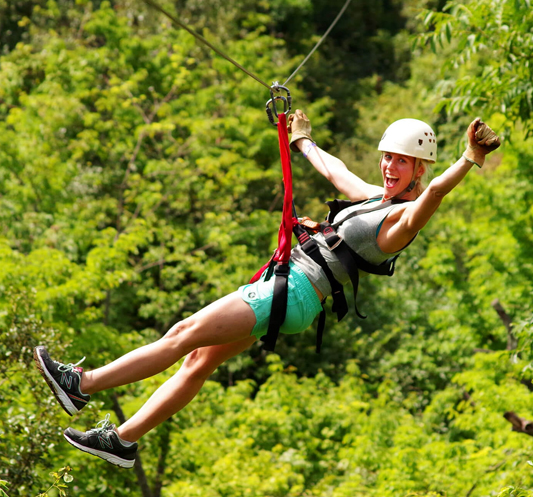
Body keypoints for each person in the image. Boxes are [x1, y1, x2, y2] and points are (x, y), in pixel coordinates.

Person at [34, 110, 500, 468]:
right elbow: (336, 173)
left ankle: (81, 385)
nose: (389, 166)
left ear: (421, 170)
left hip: (293, 291)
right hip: (288, 290)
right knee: (199, 359)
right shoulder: (377, 200)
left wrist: (467, 160)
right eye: (387, 157)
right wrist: (302, 140)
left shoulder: (401, 220)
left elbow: (436, 195)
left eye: (402, 161)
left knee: (183, 333)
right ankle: (123, 440)